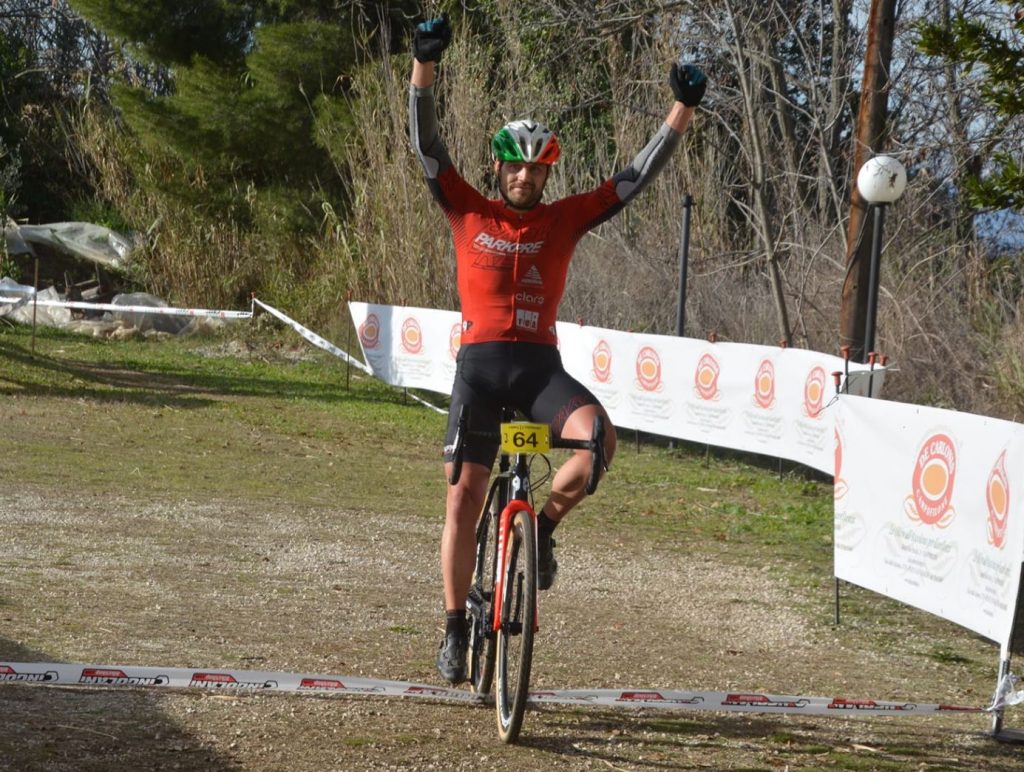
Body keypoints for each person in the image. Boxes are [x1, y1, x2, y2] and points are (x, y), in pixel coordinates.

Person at [408, 16, 707, 685]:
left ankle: (541, 529)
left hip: (541, 371)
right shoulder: (467, 210)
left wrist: (682, 109)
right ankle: (455, 625)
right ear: (499, 168)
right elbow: (426, 148)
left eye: (536, 168)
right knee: (462, 499)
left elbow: (633, 179)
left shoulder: (563, 218)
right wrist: (422, 69)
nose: (524, 177)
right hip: (481, 372)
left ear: (546, 174)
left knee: (597, 441)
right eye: (515, 166)